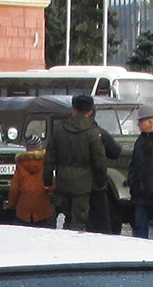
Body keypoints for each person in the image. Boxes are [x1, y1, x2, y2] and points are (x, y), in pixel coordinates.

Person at [42, 92, 109, 231]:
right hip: (84, 185)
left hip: (63, 182)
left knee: (67, 217)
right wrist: (100, 181)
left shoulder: (59, 130)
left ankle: (66, 239)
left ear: (73, 109)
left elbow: (49, 159)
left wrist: (47, 181)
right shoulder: (93, 132)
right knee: (79, 219)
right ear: (90, 111)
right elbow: (100, 160)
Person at [124, 104, 153, 240]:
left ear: (150, 121)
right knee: (140, 231)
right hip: (141, 195)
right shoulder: (140, 140)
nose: (138, 124)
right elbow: (133, 164)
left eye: (140, 121)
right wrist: (133, 183)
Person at [7, 140, 53, 226]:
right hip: (42, 208)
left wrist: (11, 205)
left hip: (23, 209)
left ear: (27, 149)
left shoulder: (21, 164)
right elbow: (53, 184)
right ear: (40, 148)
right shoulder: (46, 163)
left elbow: (14, 188)